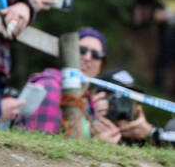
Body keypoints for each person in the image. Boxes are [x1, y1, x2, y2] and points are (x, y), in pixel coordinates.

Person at [15, 29, 157, 143]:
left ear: (101, 65)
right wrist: (96, 144)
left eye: (96, 54)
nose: (87, 57)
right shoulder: (50, 86)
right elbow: (43, 148)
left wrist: (147, 132)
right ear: (67, 53)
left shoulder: (88, 104)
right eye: (81, 50)